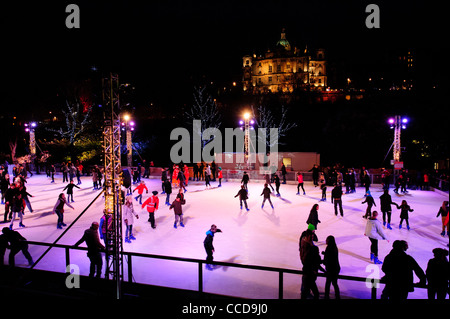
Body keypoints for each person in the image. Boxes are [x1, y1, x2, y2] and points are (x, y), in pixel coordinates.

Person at [299, 229, 324, 299]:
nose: (312, 238)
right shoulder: (312, 248)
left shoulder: (303, 242)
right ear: (308, 236)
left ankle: (304, 292)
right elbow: (312, 260)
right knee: (313, 292)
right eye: (311, 236)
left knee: (306, 290)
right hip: (310, 273)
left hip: (307, 272)